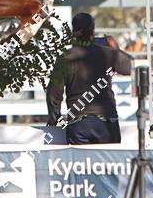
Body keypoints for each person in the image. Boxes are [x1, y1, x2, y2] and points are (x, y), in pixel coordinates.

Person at [46, 13, 133, 144]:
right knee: (108, 158)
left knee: (80, 158)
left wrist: (55, 120)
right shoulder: (107, 53)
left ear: (73, 33)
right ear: (92, 31)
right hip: (107, 122)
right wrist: (115, 49)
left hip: (78, 123)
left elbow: (53, 94)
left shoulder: (64, 59)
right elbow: (130, 67)